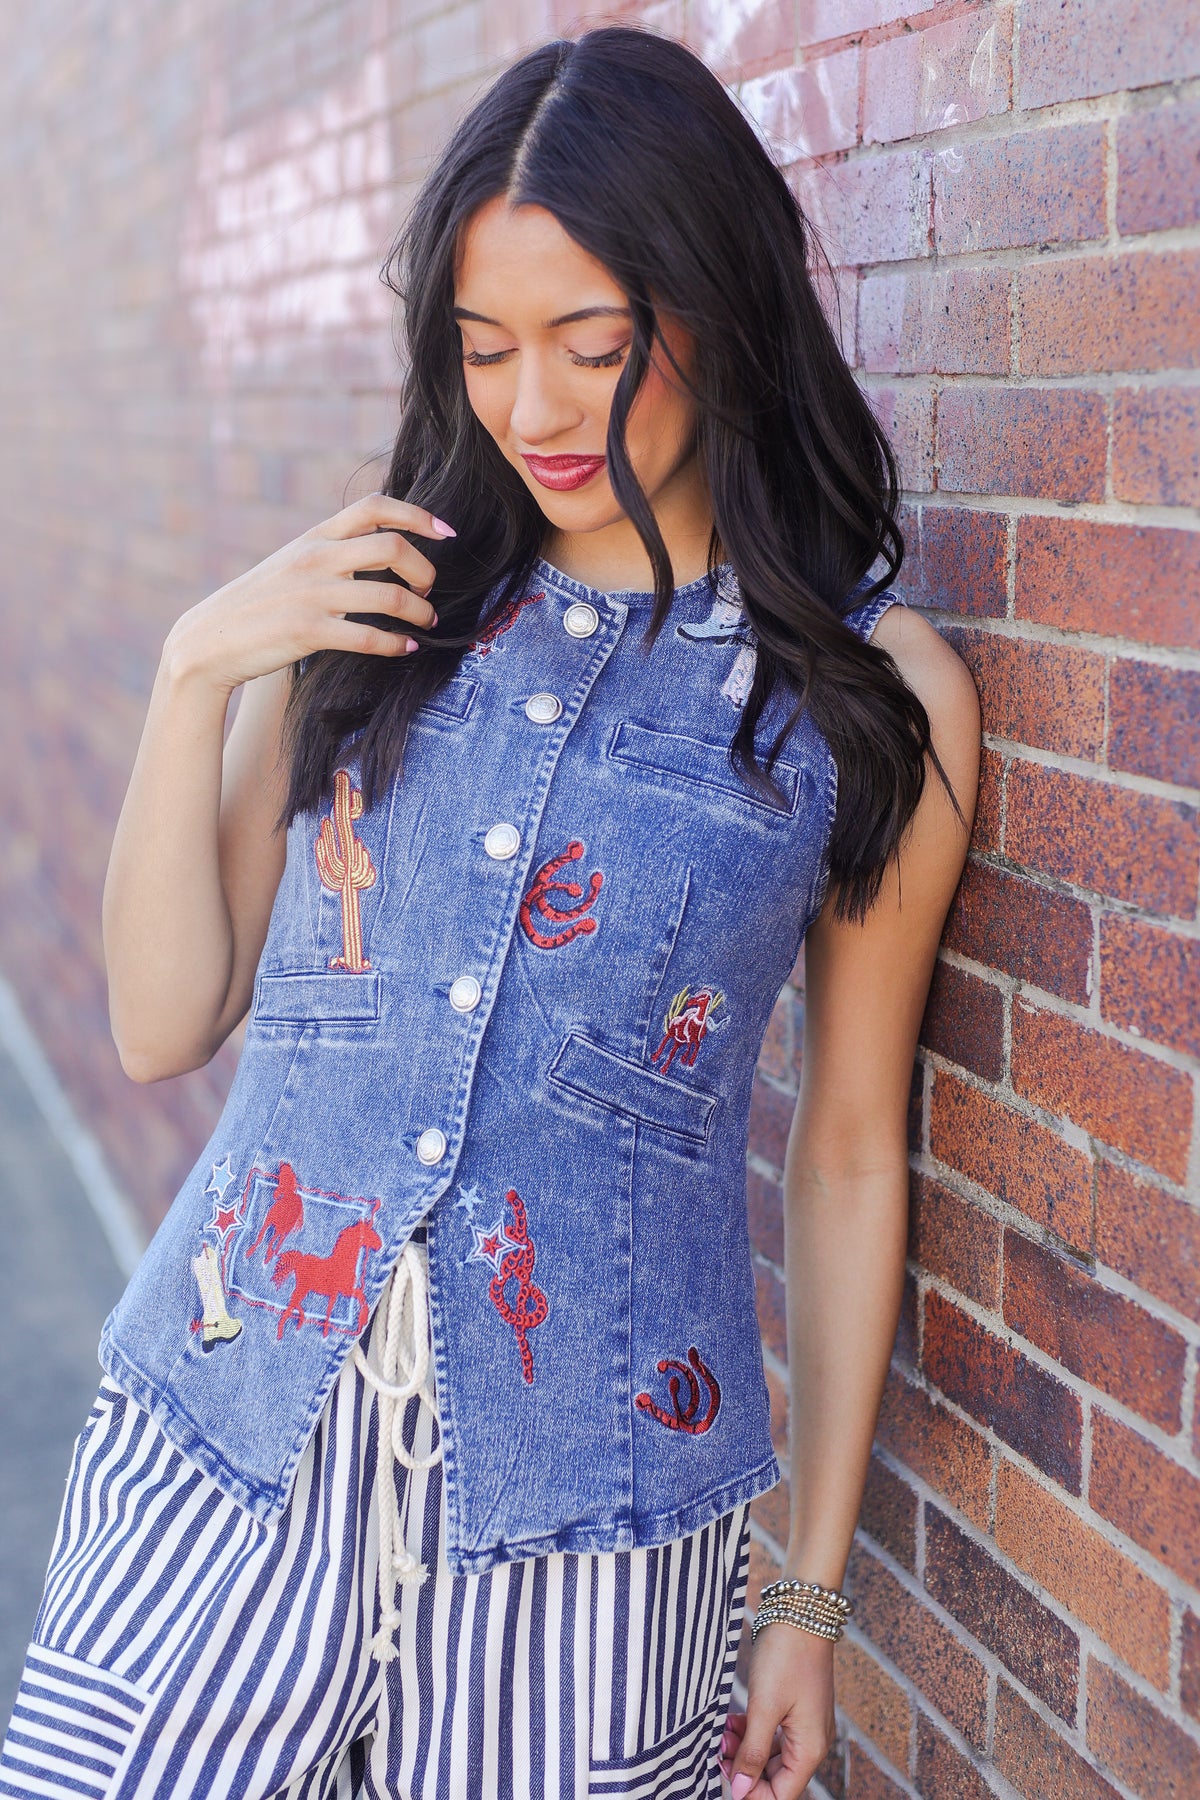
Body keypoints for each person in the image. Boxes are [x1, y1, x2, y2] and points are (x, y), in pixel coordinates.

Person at [0, 23, 979, 1800]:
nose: (532, 409)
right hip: (229, 1432)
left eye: (594, 348)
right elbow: (160, 1021)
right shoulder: (381, 601)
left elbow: (847, 1150)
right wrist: (198, 668)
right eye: (485, 348)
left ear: (718, 310)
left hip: (595, 1525)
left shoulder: (862, 698)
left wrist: (809, 1598)